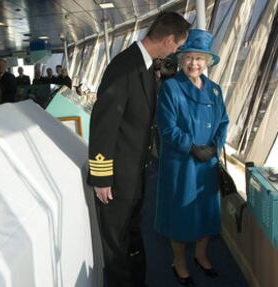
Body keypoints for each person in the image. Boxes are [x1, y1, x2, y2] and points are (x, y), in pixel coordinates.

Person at [87, 12, 191, 287]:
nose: (177, 51)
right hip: (117, 180)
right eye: (179, 46)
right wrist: (101, 178)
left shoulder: (145, 67)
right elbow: (103, 125)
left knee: (131, 236)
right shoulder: (124, 68)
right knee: (116, 248)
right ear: (169, 40)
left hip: (133, 175)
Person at [154, 29, 229, 286]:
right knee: (181, 216)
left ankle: (200, 255)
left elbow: (224, 123)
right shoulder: (171, 88)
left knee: (207, 213)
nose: (194, 63)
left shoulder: (216, 91)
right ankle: (180, 262)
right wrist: (192, 147)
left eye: (200, 58)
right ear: (180, 59)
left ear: (207, 62)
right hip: (182, 164)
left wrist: (214, 147)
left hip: (206, 164)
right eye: (189, 58)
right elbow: (167, 127)